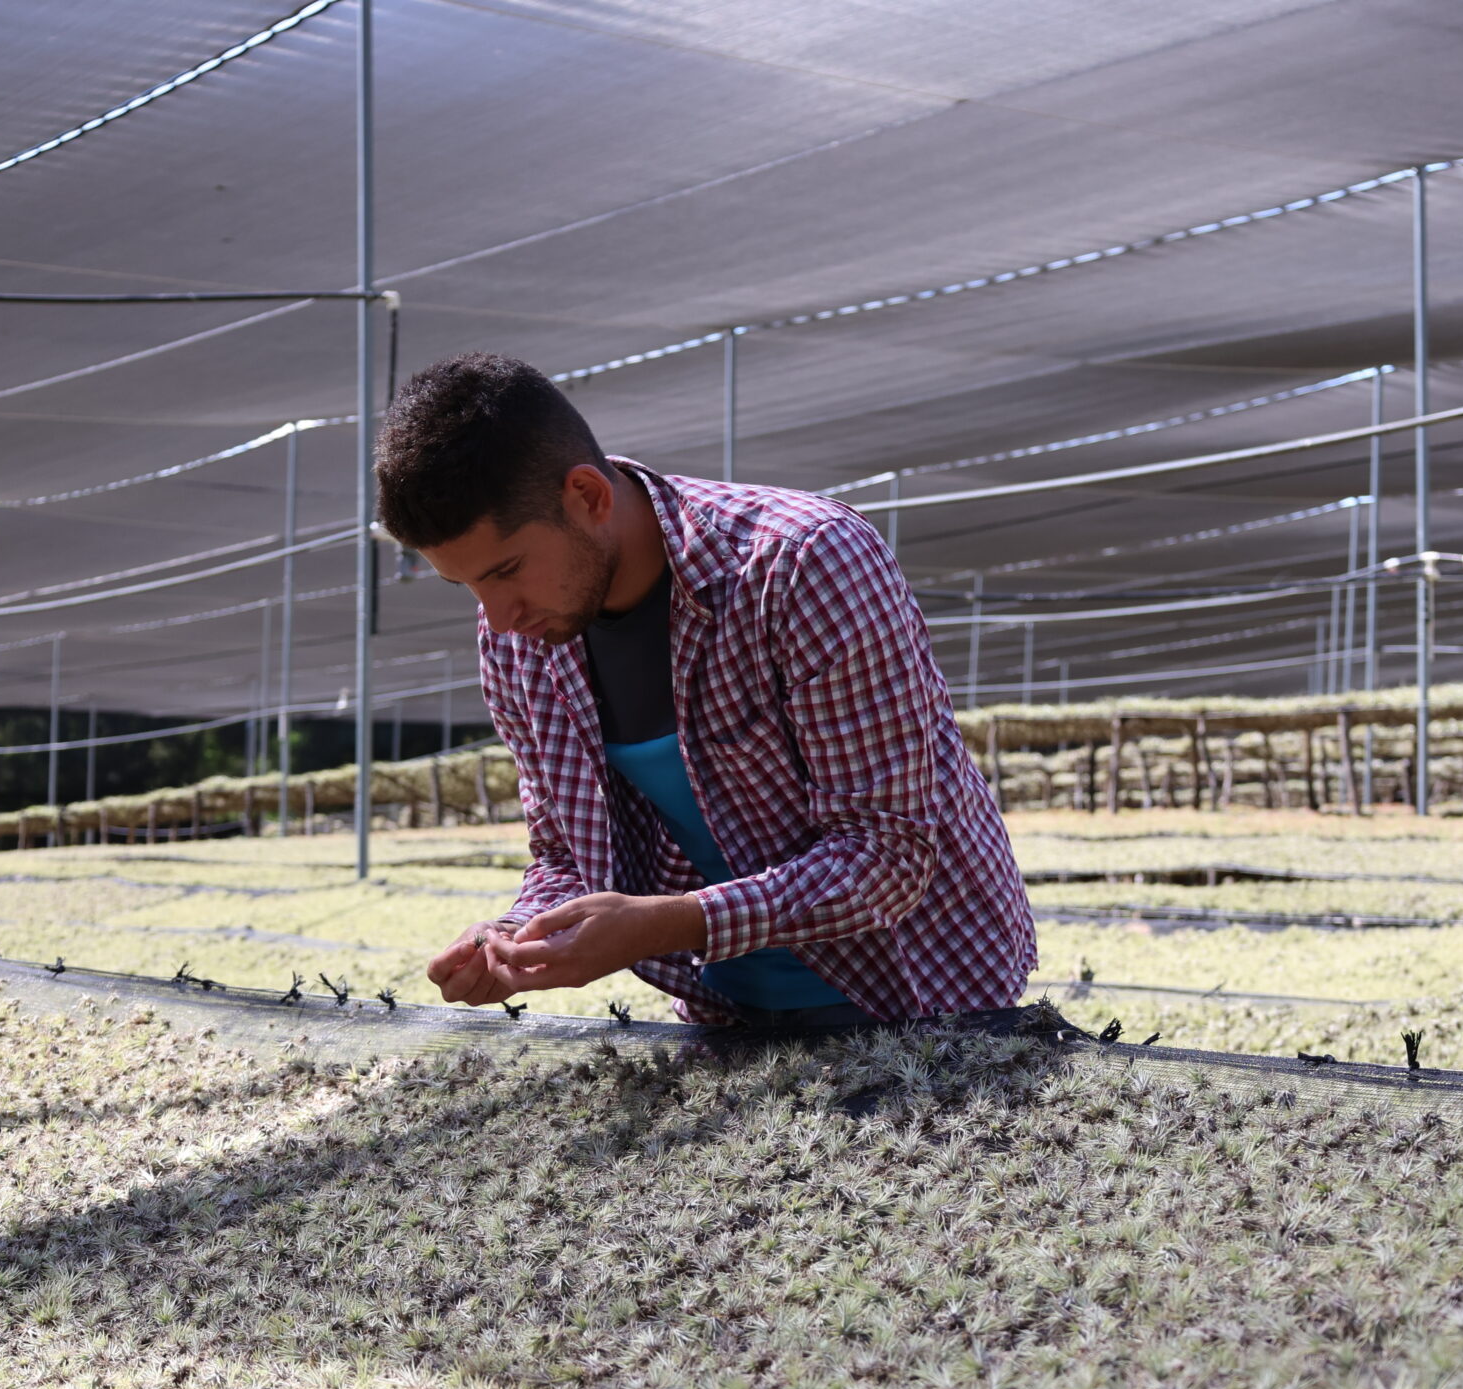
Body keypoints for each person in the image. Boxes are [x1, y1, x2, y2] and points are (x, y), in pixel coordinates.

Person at [379, 352, 1034, 1028]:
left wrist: (664, 923)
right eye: (469, 586)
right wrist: (514, 936)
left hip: (919, 999)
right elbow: (567, 854)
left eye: (507, 569)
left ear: (589, 496)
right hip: (728, 1014)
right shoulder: (518, 641)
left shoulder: (805, 565)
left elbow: (885, 856)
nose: (498, 614)